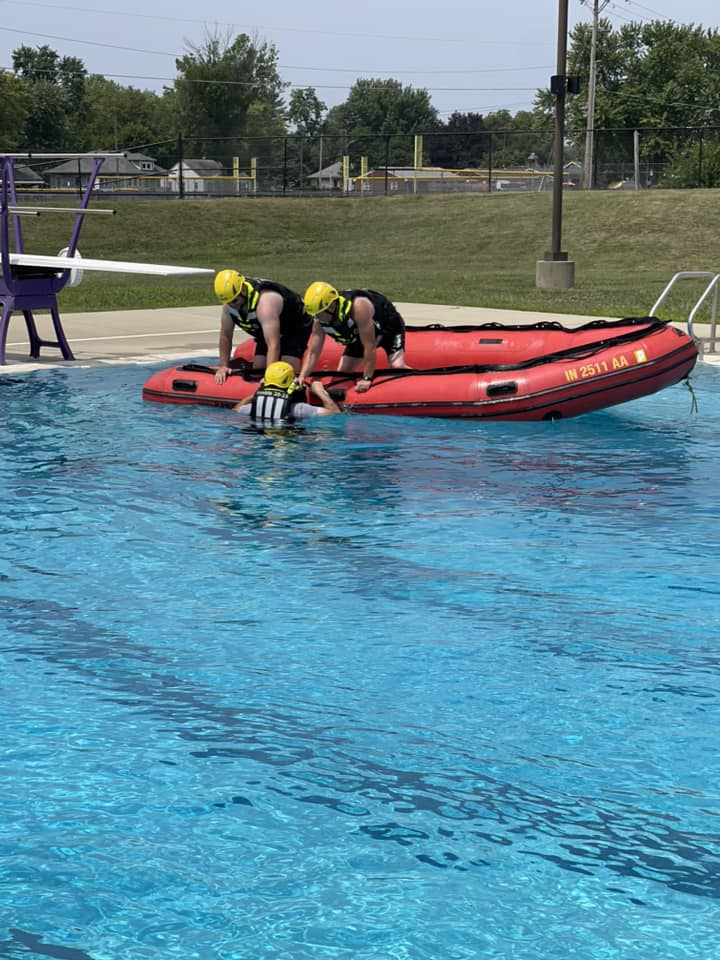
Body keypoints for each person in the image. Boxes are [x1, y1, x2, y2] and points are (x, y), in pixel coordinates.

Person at [298, 282, 410, 393]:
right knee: (342, 375)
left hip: (389, 327)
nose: (318, 318)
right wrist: (302, 376)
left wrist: (367, 378)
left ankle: (418, 380)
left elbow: (369, 346)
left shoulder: (358, 308)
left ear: (332, 306)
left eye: (320, 314)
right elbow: (313, 352)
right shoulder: (319, 321)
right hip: (357, 337)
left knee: (397, 365)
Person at [213, 270, 312, 385]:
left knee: (288, 366)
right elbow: (225, 335)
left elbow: (273, 344)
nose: (232, 305)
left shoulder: (265, 303)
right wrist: (224, 365)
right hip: (266, 326)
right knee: (259, 366)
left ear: (243, 290)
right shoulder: (229, 306)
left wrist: (270, 377)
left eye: (234, 300)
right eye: (228, 302)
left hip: (296, 325)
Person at [233, 361, 341, 423]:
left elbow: (236, 409)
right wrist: (320, 392)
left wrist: (258, 393)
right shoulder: (298, 409)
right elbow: (335, 413)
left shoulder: (253, 407)